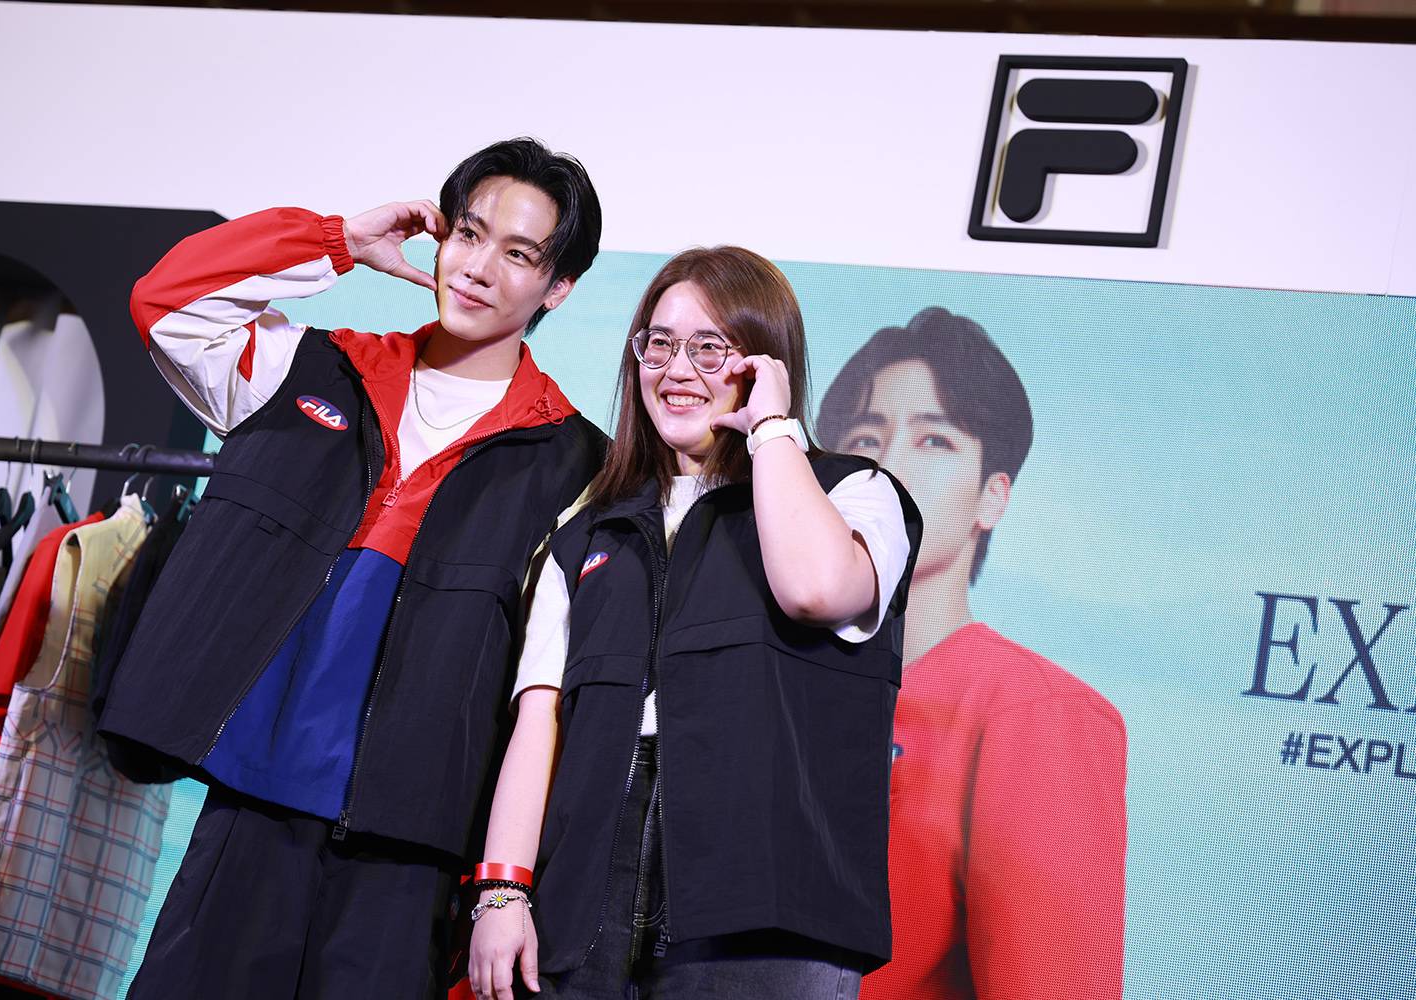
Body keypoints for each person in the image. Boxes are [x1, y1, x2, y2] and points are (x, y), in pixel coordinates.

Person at [98, 138, 609, 999]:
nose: (478, 268)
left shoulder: (577, 464)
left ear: (557, 287)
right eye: (468, 234)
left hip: (411, 854)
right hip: (249, 806)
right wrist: (337, 241)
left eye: (519, 255)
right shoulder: (310, 370)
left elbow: (551, 692)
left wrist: (504, 883)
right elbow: (167, 301)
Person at [464, 247, 921, 1000]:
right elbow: (538, 722)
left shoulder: (855, 492)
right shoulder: (586, 531)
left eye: (711, 348)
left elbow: (814, 590)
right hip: (584, 899)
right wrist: (502, 892)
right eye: (660, 344)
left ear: (765, 362)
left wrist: (772, 428)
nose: (678, 370)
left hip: (766, 907)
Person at [815, 307, 1127, 1000]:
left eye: (935, 441)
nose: (888, 466)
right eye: (865, 438)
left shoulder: (1037, 715)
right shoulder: (774, 683)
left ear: (993, 497)